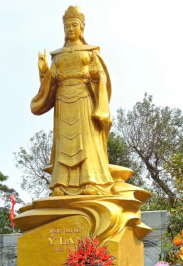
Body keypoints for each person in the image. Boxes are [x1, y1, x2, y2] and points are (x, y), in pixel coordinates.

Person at [30, 5, 118, 197]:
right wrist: (44, 70)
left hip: (84, 100)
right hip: (63, 100)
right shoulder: (58, 56)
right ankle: (61, 184)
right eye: (67, 26)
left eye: (74, 25)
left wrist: (96, 77)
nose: (70, 29)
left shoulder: (90, 51)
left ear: (81, 27)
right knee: (64, 143)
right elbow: (50, 83)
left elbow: (100, 77)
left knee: (86, 141)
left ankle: (90, 180)